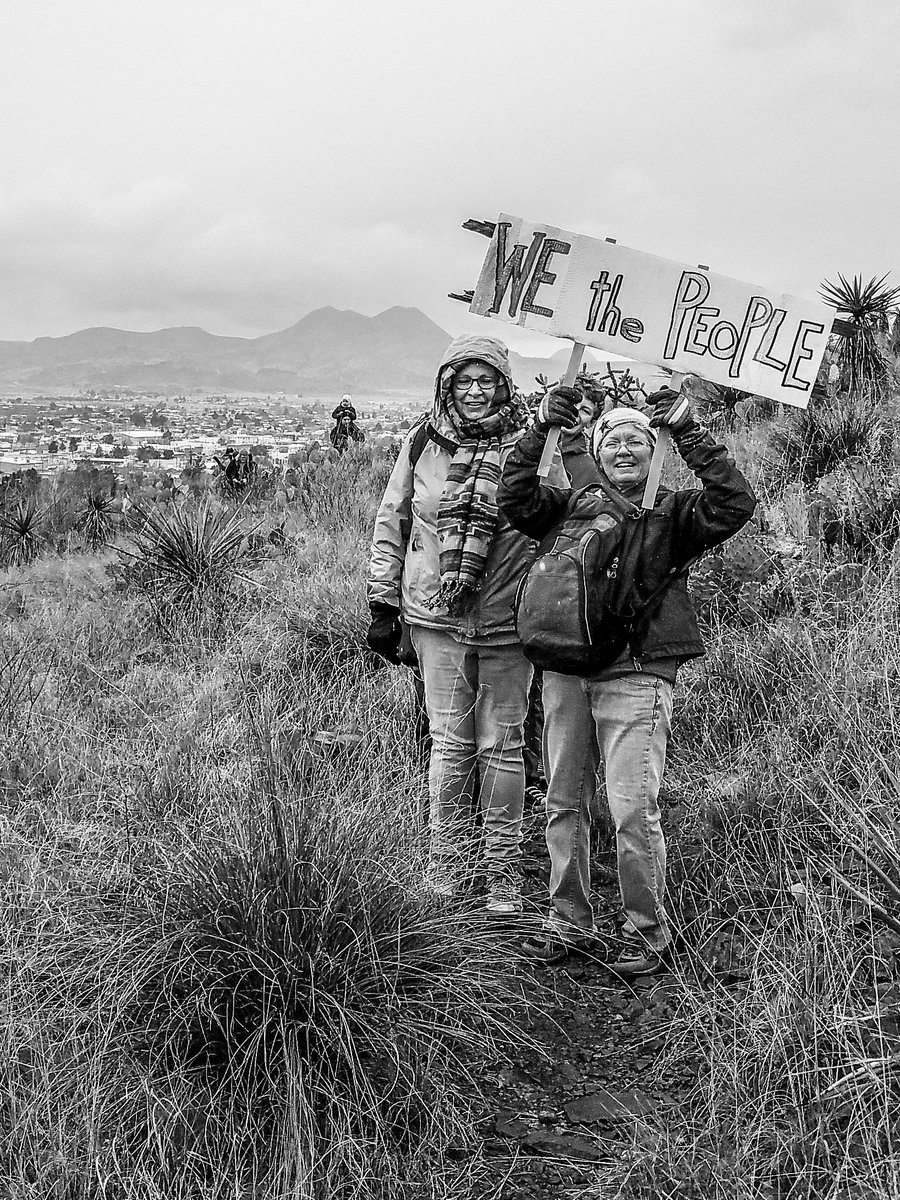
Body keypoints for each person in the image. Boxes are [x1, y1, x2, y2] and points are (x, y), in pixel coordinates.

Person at [498, 383, 757, 975]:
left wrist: (691, 431)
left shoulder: (674, 512)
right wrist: (542, 428)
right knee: (563, 800)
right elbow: (514, 496)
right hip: (565, 674)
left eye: (636, 439)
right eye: (610, 440)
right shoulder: (571, 506)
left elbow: (734, 502)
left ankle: (648, 933)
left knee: (631, 810)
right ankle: (570, 921)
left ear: (654, 449)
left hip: (637, 676)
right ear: (594, 448)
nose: (622, 449)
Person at [366, 335, 535, 915]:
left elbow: (567, 507)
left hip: (509, 616)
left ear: (505, 384)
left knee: (503, 744)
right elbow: (394, 521)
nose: (475, 390)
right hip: (435, 612)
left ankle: (504, 877)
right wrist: (382, 604)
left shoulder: (534, 444)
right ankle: (447, 867)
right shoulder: (423, 442)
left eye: (486, 379)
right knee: (450, 741)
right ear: (446, 385)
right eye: (464, 380)